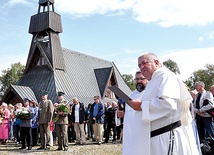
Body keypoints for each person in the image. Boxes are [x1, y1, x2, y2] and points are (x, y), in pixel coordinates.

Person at [129, 52, 200, 155]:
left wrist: (141, 106)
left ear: (156, 62)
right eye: (139, 65)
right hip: (158, 137)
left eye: (144, 63)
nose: (141, 67)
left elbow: (168, 104)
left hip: (167, 138)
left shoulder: (165, 76)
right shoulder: (155, 80)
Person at [122, 71, 148, 155]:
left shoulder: (150, 93)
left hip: (143, 132)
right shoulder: (131, 95)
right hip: (130, 132)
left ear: (147, 80)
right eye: (137, 79)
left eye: (141, 79)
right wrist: (122, 113)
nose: (139, 81)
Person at [194, 82, 214, 146]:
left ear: (202, 86)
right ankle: (203, 148)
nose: (196, 87)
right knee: (200, 133)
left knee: (210, 133)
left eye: (197, 86)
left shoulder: (208, 94)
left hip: (206, 117)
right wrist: (197, 111)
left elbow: (211, 104)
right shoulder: (197, 95)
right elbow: (193, 106)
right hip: (198, 116)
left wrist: (201, 110)